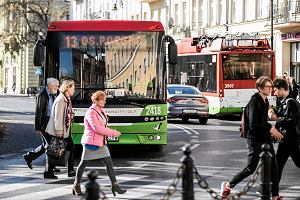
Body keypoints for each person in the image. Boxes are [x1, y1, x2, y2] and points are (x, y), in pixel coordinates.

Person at [220, 76, 284, 200]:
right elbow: (253, 124)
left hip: (265, 139)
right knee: (251, 168)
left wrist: (269, 129)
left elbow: (262, 122)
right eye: (267, 87)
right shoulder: (255, 101)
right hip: (254, 139)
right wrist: (270, 128)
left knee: (274, 167)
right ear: (260, 88)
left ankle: (275, 195)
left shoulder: (265, 101)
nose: (270, 89)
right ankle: (228, 185)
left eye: (271, 87)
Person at [72, 91, 126, 196]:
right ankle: (76, 185)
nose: (105, 101)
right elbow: (97, 128)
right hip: (91, 143)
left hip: (101, 142)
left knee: (109, 162)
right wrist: (113, 133)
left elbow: (103, 126)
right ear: (96, 100)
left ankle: (114, 185)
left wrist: (109, 132)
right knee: (83, 163)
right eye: (103, 99)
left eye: (105, 99)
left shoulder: (101, 111)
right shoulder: (91, 112)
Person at [23, 78, 60, 175]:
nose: (57, 88)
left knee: (47, 145)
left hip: (51, 122)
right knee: (50, 146)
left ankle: (29, 157)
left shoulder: (52, 94)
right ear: (50, 86)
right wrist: (38, 127)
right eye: (56, 86)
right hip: (45, 124)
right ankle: (48, 172)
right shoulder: (42, 95)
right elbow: (38, 112)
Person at [268, 78, 300, 183]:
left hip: (290, 139)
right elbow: (282, 117)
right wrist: (273, 110)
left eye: (276, 90)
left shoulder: (290, 102)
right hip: (289, 139)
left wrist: (275, 118)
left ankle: (272, 189)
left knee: (278, 163)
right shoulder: (284, 102)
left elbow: (291, 122)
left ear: (281, 89)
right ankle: (273, 189)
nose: (274, 93)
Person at [45, 79, 76, 179]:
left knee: (65, 148)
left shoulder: (66, 99)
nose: (74, 90)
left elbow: (64, 114)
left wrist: (70, 114)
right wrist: (59, 131)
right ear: (67, 88)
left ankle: (70, 170)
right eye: (73, 88)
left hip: (63, 130)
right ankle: (49, 172)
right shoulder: (61, 100)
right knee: (55, 151)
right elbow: (57, 117)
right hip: (59, 130)